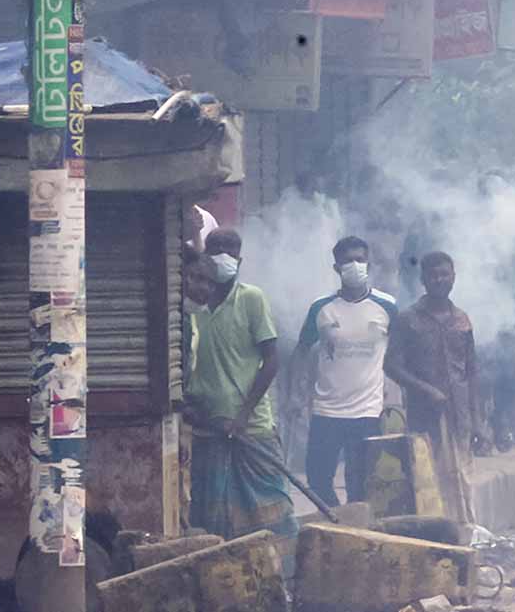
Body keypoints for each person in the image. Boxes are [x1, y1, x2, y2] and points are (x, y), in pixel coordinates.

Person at [185, 228, 298, 540]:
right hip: (207, 428)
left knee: (272, 508)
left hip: (252, 427)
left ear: (240, 258)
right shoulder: (192, 308)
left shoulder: (251, 299)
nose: (223, 253)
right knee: (213, 514)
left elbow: (271, 360)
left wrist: (243, 416)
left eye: (230, 248)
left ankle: (285, 575)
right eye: (215, 247)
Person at [291, 235, 397, 507]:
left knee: (359, 482)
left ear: (369, 264)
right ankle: (339, 522)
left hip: (368, 411)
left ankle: (355, 534)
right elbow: (301, 350)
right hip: (326, 409)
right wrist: (298, 392)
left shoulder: (387, 306)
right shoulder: (321, 308)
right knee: (317, 480)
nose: (354, 265)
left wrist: (396, 394)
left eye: (360, 259)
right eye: (347, 260)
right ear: (336, 267)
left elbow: (400, 353)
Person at [384, 252, 482, 524]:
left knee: (462, 478)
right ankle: (437, 538)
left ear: (453, 277)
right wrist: (426, 390)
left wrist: (478, 421)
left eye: (445, 274)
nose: (440, 280)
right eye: (434, 275)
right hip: (424, 416)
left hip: (459, 416)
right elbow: (391, 365)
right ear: (424, 279)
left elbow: (472, 373)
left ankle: (465, 535)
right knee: (429, 479)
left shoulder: (462, 319)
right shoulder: (408, 319)